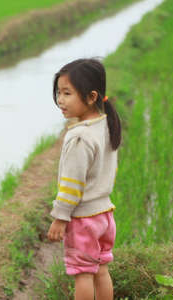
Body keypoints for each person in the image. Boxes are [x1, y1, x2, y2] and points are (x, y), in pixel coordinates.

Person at [47, 58, 122, 300]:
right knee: (100, 269)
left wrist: (60, 216)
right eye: (58, 93)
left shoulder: (79, 137)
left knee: (83, 274)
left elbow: (72, 184)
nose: (60, 100)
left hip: (83, 219)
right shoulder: (106, 125)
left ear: (91, 96)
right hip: (104, 215)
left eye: (67, 93)